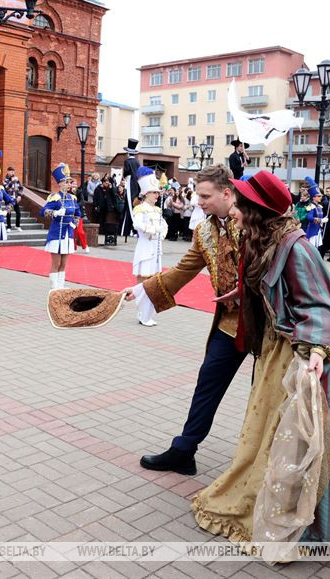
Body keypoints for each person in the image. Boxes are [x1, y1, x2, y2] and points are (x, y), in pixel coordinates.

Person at [190, 170, 330, 560]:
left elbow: (318, 306)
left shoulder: (295, 247)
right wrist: (243, 290)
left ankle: (309, 525)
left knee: (304, 440)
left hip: (312, 352)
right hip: (284, 344)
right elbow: (269, 283)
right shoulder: (265, 238)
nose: (234, 209)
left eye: (241, 204)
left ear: (257, 210)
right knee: (272, 432)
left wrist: (316, 355)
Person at [125, 165, 246, 475]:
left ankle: (267, 462)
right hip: (230, 323)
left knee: (270, 392)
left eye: (205, 196)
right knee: (207, 381)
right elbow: (183, 270)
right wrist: (141, 291)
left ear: (226, 193)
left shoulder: (251, 221)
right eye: (197, 194)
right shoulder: (204, 230)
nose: (199, 201)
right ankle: (184, 451)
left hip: (268, 323)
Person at [130, 168, 168, 326]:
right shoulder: (140, 208)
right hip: (145, 246)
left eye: (158, 193)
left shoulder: (157, 210)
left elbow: (164, 226)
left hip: (156, 248)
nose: (157, 195)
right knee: (143, 279)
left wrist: (162, 232)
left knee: (153, 280)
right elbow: (137, 224)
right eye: (154, 193)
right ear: (146, 193)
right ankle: (141, 312)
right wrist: (153, 230)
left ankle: (147, 312)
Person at [41, 163, 80, 289]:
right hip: (57, 233)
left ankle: (61, 286)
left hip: (68, 233)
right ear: (60, 183)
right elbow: (43, 211)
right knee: (56, 263)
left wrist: (75, 222)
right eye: (66, 182)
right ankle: (54, 288)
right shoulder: (55, 197)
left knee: (64, 263)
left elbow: (78, 213)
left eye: (69, 182)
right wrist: (55, 213)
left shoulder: (72, 198)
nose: (68, 185)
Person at [120, 139, 141, 241]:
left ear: (128, 153)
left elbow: (127, 172)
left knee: (130, 205)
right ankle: (134, 230)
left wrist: (123, 175)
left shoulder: (127, 161)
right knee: (134, 205)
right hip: (136, 185)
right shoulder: (137, 162)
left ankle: (130, 229)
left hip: (130, 183)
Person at [3, 166, 23, 231]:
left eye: (13, 171)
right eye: (11, 171)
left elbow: (21, 188)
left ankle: (17, 226)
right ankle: (9, 227)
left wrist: (19, 195)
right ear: (8, 171)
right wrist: (11, 181)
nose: (12, 173)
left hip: (15, 198)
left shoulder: (16, 179)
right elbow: (6, 188)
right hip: (8, 199)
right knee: (9, 213)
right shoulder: (5, 180)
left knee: (18, 212)